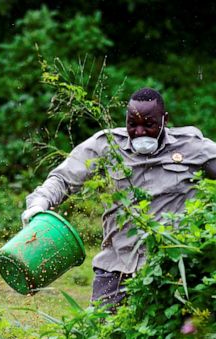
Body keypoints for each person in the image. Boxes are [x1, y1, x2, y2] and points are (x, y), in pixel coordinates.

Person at [21, 87, 216, 309]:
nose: (140, 132)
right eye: (132, 124)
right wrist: (39, 204)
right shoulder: (107, 146)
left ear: (164, 120)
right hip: (116, 267)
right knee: (100, 333)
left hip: (173, 268)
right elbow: (64, 179)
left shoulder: (191, 146)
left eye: (149, 125)